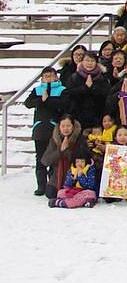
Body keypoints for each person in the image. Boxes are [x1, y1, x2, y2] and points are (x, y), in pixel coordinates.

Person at [25, 67, 66, 196]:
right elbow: (28, 103)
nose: (49, 78)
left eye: (51, 76)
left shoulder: (62, 90)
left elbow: (64, 104)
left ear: (56, 77)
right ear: (42, 78)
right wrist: (41, 100)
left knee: (54, 157)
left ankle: (52, 184)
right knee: (40, 158)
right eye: (46, 76)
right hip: (40, 128)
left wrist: (48, 100)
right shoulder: (37, 90)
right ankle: (41, 186)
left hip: (55, 128)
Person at [40, 115, 83, 200]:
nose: (65, 129)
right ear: (59, 127)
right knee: (50, 193)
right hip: (57, 176)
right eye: (63, 126)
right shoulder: (55, 139)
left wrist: (67, 151)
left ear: (73, 127)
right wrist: (60, 151)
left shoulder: (79, 139)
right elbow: (45, 161)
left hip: (75, 176)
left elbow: (82, 159)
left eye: (68, 126)